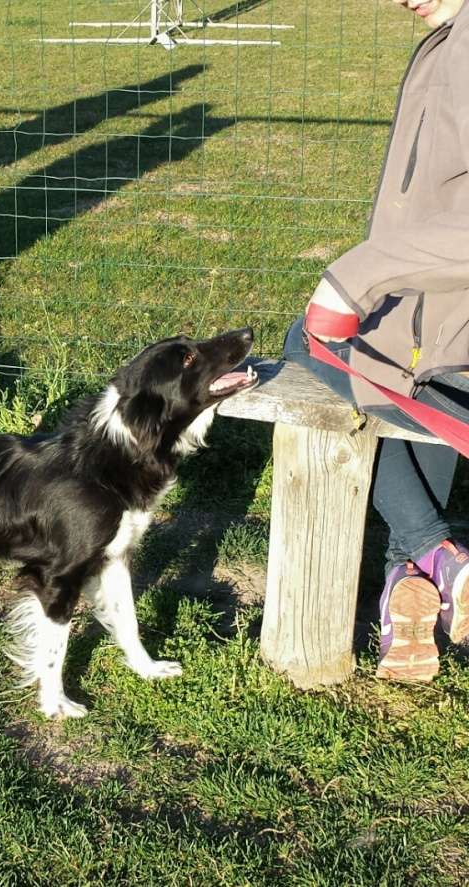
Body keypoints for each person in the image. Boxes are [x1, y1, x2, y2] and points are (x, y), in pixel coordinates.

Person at [284, 0, 469, 682]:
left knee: (313, 347)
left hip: (439, 315)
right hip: (439, 314)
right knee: (414, 379)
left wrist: (358, 275)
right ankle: (411, 584)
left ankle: (437, 556)